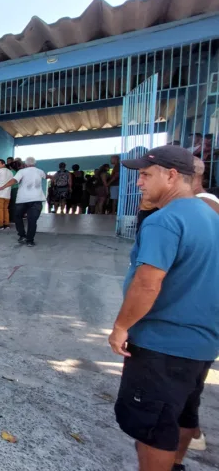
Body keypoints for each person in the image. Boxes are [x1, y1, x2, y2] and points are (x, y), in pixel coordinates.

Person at [109, 145, 219, 471]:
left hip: (162, 344)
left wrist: (120, 327)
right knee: (185, 412)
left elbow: (147, 283)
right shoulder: (211, 217)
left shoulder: (165, 221)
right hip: (202, 343)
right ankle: (177, 464)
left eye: (145, 175)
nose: (139, 183)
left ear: (171, 175)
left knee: (155, 428)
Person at [0, 157, 46, 247]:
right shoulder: (40, 171)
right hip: (37, 199)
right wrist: (53, 177)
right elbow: (46, 176)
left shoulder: (21, 172)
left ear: (25, 164)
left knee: (17, 217)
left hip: (22, 199)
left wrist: (3, 186)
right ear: (35, 164)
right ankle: (30, 241)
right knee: (32, 220)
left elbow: (14, 180)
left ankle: (22, 236)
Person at [0, 159, 14, 229]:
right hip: (7, 194)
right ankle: (6, 224)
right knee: (5, 209)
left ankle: (0, 225)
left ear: (3, 164)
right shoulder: (10, 172)